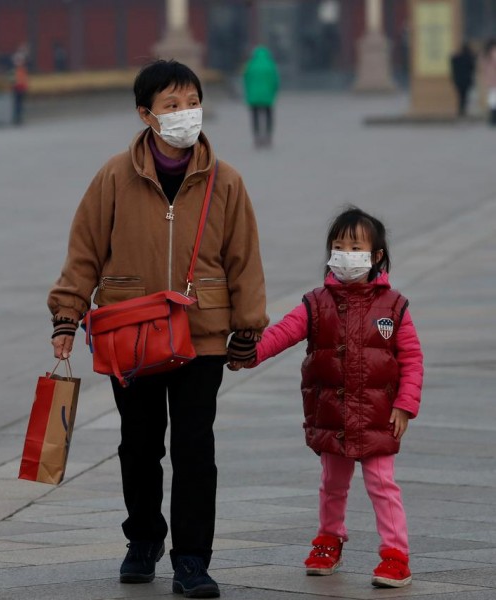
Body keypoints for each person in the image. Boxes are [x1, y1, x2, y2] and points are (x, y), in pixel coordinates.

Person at [48, 59, 268, 599]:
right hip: (133, 332)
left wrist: (248, 329)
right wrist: (66, 317)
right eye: (171, 105)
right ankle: (143, 540)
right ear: (146, 114)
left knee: (196, 446)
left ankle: (192, 558)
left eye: (191, 102)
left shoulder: (227, 181)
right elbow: (84, 252)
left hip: (203, 334)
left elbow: (245, 260)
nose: (184, 114)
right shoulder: (114, 177)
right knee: (139, 445)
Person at [230, 207, 423, 589]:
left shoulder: (395, 307)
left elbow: (413, 359)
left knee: (383, 486)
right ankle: (328, 539)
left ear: (376, 256)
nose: (345, 254)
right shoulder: (316, 303)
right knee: (332, 484)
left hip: (379, 416)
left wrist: (405, 405)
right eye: (338, 246)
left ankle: (395, 554)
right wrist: (249, 354)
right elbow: (284, 332)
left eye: (355, 246)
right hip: (332, 413)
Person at [242, 46, 280, 148]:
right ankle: (268, 136)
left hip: (253, 96)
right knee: (268, 116)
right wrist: (274, 92)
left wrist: (247, 93)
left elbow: (246, 80)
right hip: (267, 96)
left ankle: (257, 137)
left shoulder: (250, 65)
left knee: (255, 117)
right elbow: (275, 81)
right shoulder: (270, 65)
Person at [450, 42, 476, 118]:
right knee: (465, 95)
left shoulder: (457, 58)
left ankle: (461, 109)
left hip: (458, 80)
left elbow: (452, 61)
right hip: (467, 80)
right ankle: (463, 109)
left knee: (460, 95)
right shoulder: (469, 58)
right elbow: (472, 67)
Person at [12, 52, 29, 125]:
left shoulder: (22, 70)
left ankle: (18, 118)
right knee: (17, 105)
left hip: (21, 89)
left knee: (19, 105)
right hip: (16, 89)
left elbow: (24, 79)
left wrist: (25, 87)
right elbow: (12, 80)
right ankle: (17, 118)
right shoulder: (15, 70)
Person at [484, 40, 496, 126]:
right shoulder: (494, 52)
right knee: (493, 100)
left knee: (492, 99)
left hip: (490, 79)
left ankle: (492, 119)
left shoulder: (485, 54)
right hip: (494, 79)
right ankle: (493, 119)